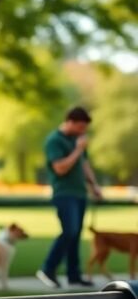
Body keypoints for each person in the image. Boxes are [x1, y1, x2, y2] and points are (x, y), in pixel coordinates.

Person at [36, 106, 102, 289]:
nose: (83, 131)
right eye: (80, 127)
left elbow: (84, 164)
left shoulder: (76, 140)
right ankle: (48, 269)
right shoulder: (54, 140)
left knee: (76, 234)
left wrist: (94, 185)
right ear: (70, 122)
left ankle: (74, 275)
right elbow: (60, 168)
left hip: (80, 193)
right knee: (70, 231)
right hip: (64, 193)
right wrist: (78, 150)